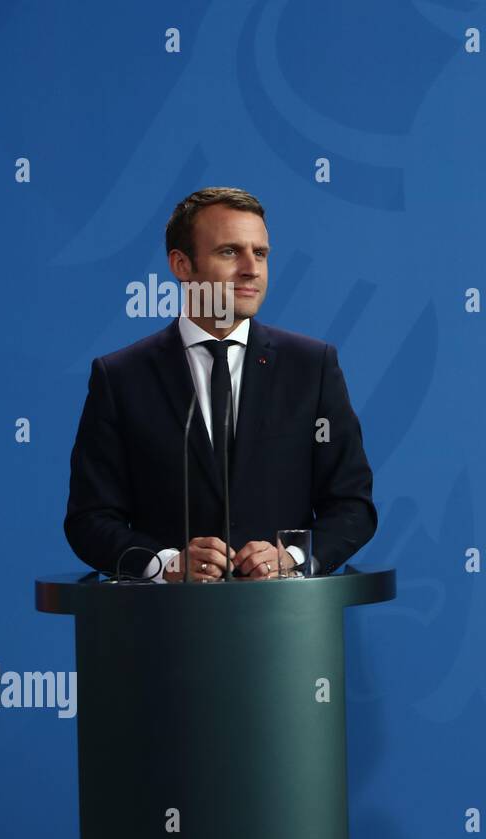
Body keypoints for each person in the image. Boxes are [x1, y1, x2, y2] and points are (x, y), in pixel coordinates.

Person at [64, 187, 376, 582]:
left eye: (260, 253)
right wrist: (165, 564)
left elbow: (352, 506)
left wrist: (292, 557)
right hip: (163, 629)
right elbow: (89, 519)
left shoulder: (312, 368)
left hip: (287, 628)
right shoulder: (121, 377)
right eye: (230, 252)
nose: (251, 268)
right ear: (181, 264)